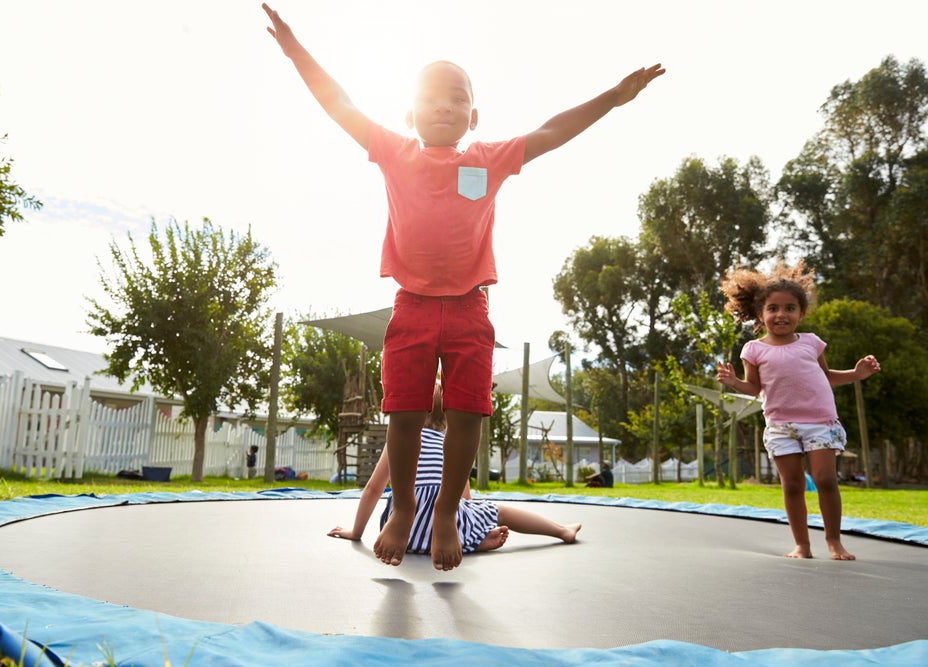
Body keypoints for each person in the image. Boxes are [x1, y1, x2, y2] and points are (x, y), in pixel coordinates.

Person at [263, 3, 663, 570]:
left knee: (468, 412)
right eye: (431, 98)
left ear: (474, 116)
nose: (444, 106)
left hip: (471, 309)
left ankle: (448, 509)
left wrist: (612, 98)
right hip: (413, 307)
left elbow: (552, 131)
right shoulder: (393, 152)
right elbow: (339, 104)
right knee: (402, 412)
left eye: (457, 98)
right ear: (410, 113)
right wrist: (296, 50)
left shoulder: (488, 158)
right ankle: (403, 509)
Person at [716, 261, 880, 560]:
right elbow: (755, 389)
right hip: (780, 424)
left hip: (819, 421)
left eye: (790, 308)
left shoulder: (811, 343)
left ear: (801, 313)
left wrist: (856, 374)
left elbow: (826, 377)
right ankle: (802, 545)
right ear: (760, 314)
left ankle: (833, 541)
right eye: (773, 308)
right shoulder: (753, 350)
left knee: (825, 479)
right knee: (792, 485)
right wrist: (733, 382)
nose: (781, 314)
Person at [328, 384, 581, 553]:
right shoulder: (453, 446)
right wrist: (471, 523)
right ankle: (560, 531)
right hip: (443, 537)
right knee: (498, 510)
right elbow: (464, 498)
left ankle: (472, 540)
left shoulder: (399, 441)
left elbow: (373, 488)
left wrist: (356, 532)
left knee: (443, 513)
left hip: (403, 537)